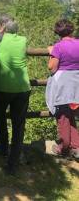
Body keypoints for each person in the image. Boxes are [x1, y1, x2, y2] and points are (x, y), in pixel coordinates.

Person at [0, 16, 30, 175]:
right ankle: (13, 162)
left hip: (3, 87)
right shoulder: (23, 40)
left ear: (2, 28)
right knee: (18, 125)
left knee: (0, 116)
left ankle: (2, 148)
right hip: (23, 88)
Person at [46, 19, 79, 158]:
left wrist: (51, 52)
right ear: (71, 30)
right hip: (76, 83)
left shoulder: (59, 47)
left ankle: (64, 148)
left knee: (63, 116)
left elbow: (52, 67)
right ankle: (76, 147)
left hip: (63, 85)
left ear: (58, 32)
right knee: (72, 113)